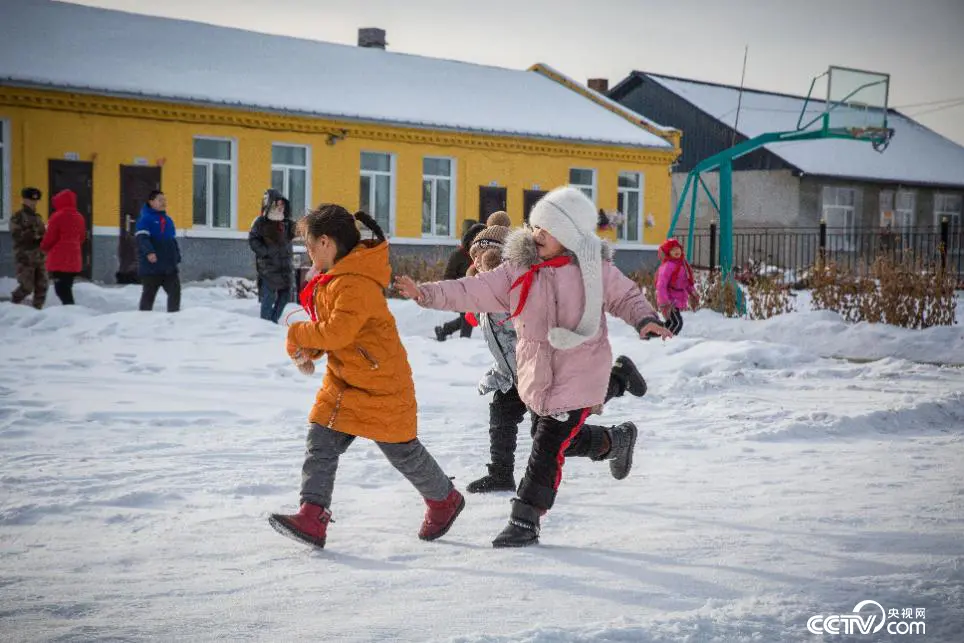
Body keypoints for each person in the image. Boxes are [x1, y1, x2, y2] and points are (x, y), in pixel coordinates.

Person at [395, 186, 672, 547]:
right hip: (537, 374)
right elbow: (471, 290)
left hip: (579, 369)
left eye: (549, 229)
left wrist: (645, 320)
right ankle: (613, 440)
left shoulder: (593, 269)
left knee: (546, 446)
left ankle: (525, 519)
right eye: (537, 227)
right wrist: (425, 293)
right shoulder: (517, 269)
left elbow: (626, 296)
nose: (538, 235)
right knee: (553, 441)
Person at [269, 204, 464, 549]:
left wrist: (299, 334)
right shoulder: (335, 281)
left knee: (403, 452)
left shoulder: (353, 284)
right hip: (346, 381)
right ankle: (312, 515)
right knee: (321, 441)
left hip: (381, 383)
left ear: (327, 243)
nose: (308, 251)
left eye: (310, 244)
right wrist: (307, 348)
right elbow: (334, 337)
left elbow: (337, 333)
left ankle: (444, 500)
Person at [461, 218, 649, 494]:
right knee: (501, 412)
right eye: (476, 255)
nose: (480, 261)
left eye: (489, 255)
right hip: (512, 373)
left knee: (553, 435)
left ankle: (615, 433)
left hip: (545, 372)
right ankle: (500, 472)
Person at [434, 220, 487, 341]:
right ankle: (464, 345)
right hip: (460, 293)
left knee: (470, 318)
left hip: (474, 294)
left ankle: (445, 329)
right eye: (474, 239)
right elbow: (448, 276)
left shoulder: (481, 255)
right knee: (468, 320)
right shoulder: (458, 255)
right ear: (468, 239)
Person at [249, 189, 295, 323]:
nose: (281, 208)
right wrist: (266, 252)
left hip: (284, 267)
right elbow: (253, 240)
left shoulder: (286, 223)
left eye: (282, 205)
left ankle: (272, 322)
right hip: (268, 268)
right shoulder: (260, 222)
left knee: (285, 296)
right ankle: (265, 324)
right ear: (270, 205)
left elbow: (298, 231)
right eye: (277, 205)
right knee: (268, 298)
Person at [135, 190, 181, 313]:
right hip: (152, 267)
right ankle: (142, 319)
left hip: (168, 266)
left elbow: (172, 240)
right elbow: (142, 239)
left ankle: (174, 318)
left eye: (164, 200)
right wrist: (149, 252)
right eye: (160, 200)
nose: (163, 202)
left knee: (175, 291)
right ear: (151, 202)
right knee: (149, 295)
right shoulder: (145, 219)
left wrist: (177, 256)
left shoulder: (168, 220)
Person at [40, 190, 87, 305]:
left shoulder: (57, 216)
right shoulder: (79, 217)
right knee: (67, 286)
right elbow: (82, 237)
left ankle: (70, 311)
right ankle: (70, 310)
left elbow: (50, 237)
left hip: (59, 259)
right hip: (74, 258)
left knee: (61, 289)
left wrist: (43, 247)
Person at [10, 187, 48, 309]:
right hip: (25, 257)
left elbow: (43, 234)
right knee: (26, 287)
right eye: (30, 200)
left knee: (42, 286)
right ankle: (11, 306)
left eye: (36, 201)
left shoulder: (38, 218)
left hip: (39, 257)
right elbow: (17, 235)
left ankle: (37, 311)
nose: (33, 203)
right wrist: (34, 234)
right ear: (24, 200)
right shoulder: (18, 216)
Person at [654, 238, 697, 335]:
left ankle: (657, 335)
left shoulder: (683, 264)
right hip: (669, 300)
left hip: (677, 298)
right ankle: (668, 340)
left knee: (671, 322)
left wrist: (693, 292)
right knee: (677, 323)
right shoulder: (667, 266)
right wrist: (665, 302)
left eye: (678, 248)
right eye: (672, 250)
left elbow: (686, 282)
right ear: (668, 253)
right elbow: (661, 285)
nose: (676, 251)